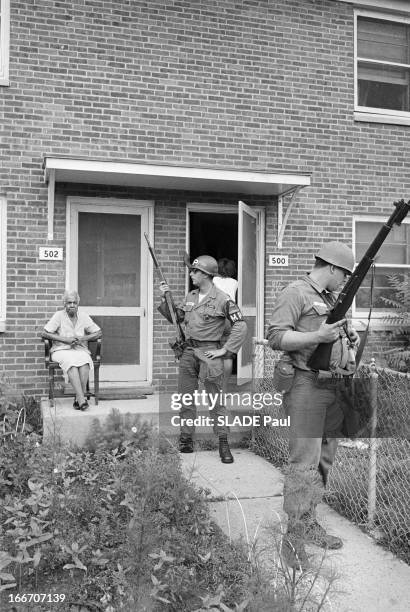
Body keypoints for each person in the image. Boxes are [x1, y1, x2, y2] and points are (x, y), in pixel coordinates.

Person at [266, 242, 360, 570]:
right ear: (332, 268)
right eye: (344, 274)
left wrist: (348, 335)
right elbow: (276, 337)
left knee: (323, 462)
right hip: (305, 384)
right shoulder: (296, 292)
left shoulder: (331, 298)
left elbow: (333, 333)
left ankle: (309, 525)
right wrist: (317, 337)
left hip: (331, 385)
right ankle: (291, 544)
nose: (345, 280)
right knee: (303, 463)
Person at [158, 255, 247, 463]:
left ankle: (223, 442)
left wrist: (225, 350)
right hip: (188, 353)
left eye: (194, 271)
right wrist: (166, 298)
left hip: (209, 354)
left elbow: (240, 325)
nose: (191, 274)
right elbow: (176, 317)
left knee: (216, 401)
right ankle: (186, 438)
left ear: (206, 275)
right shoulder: (191, 295)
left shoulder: (223, 298)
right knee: (186, 398)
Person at [41, 290, 102, 411]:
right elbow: (44, 333)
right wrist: (65, 339)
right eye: (69, 303)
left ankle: (78, 400)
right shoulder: (59, 315)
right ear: (64, 304)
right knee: (71, 363)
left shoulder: (83, 316)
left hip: (79, 349)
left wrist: (83, 338)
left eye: (74, 302)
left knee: (85, 361)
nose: (72, 305)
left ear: (78, 304)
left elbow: (98, 333)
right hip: (61, 350)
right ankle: (81, 399)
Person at [213, 259, 238, 393]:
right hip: (230, 318)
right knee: (227, 355)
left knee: (212, 353)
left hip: (215, 319)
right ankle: (224, 389)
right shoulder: (235, 283)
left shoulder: (213, 281)